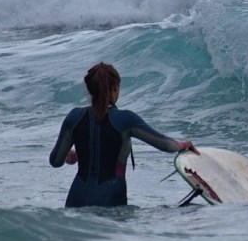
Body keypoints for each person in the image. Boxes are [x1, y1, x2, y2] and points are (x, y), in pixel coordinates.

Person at [50, 62, 199, 207]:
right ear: (115, 88)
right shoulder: (125, 119)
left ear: (90, 90)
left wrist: (69, 155)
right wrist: (183, 144)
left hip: (76, 199)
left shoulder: (74, 117)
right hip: (110, 199)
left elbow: (55, 161)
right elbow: (166, 145)